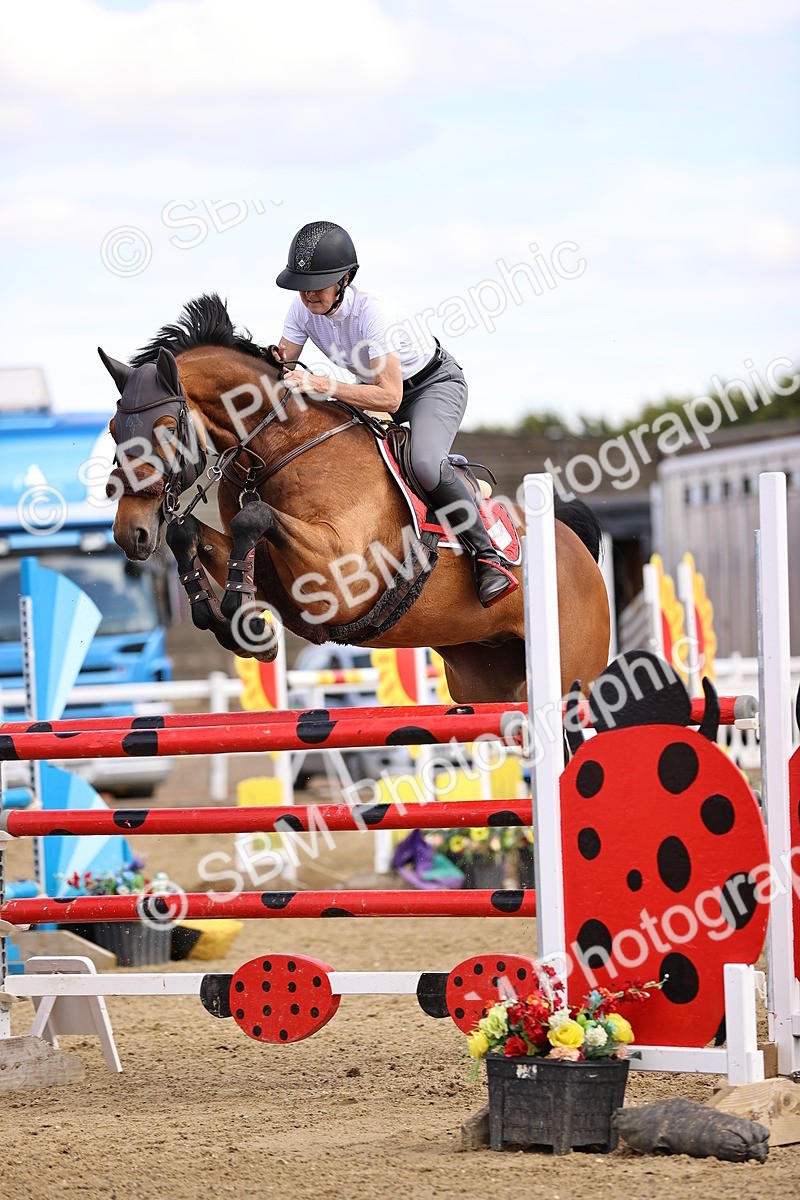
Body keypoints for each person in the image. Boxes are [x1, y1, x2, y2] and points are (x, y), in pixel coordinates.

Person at [272, 220, 518, 607]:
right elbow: (282, 364)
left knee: (424, 462)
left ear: (345, 279)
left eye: (317, 284)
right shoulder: (301, 310)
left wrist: (324, 386)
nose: (307, 295)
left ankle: (488, 557)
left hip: (430, 386)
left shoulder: (375, 313)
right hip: (376, 392)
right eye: (302, 285)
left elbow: (389, 398)